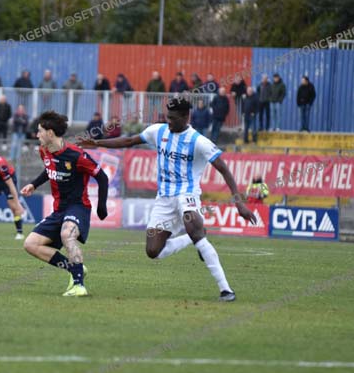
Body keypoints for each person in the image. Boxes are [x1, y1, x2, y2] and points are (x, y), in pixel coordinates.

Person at [80, 96, 256, 302]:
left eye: (173, 118)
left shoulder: (199, 141)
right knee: (153, 251)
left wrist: (239, 202)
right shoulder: (159, 131)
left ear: (185, 116)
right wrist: (97, 143)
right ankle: (191, 238)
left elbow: (224, 169)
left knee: (194, 228)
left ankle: (226, 289)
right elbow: (128, 141)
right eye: (167, 117)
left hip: (187, 194)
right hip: (164, 199)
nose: (168, 121)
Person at [20, 111, 110, 297]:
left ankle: (79, 286)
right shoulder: (44, 151)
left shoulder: (77, 155)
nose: (37, 135)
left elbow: (102, 177)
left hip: (78, 207)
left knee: (66, 234)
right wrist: (34, 185)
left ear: (50, 133)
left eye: (40, 131)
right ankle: (74, 268)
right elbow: (50, 168)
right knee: (30, 244)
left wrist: (102, 207)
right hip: (59, 210)